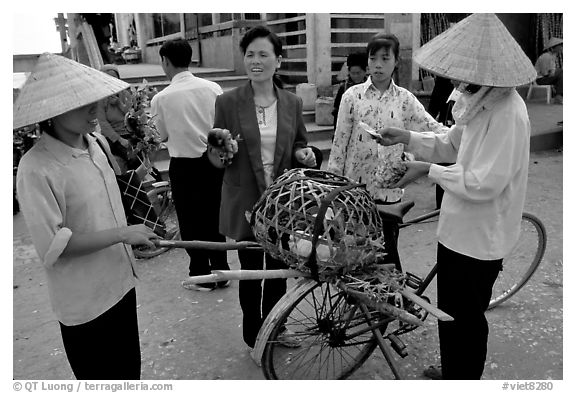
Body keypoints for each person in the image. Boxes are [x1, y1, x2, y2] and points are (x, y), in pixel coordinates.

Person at [374, 13, 535, 380]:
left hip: (480, 239)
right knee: (449, 311)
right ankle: (452, 373)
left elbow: (483, 183)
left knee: (468, 317)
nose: (461, 79)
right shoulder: (478, 100)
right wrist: (407, 137)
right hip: (455, 230)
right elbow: (450, 144)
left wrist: (425, 170)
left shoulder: (509, 113)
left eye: (469, 71)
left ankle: (465, 379)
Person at [14, 53, 159, 379]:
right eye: (82, 105)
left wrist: (134, 232)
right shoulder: (36, 168)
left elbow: (113, 199)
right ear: (51, 111)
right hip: (84, 303)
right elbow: (55, 245)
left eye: (94, 101)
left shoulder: (96, 143)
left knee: (128, 375)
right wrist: (124, 234)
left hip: (121, 284)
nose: (95, 111)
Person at [207, 25, 317, 353]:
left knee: (279, 270)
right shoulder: (227, 102)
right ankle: (253, 333)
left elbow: (300, 143)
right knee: (252, 271)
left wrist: (304, 154)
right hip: (245, 200)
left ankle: (276, 327)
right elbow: (216, 155)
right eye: (250, 54)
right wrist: (220, 152)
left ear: (278, 61)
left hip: (283, 203)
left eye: (263, 54)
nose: (256, 60)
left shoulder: (292, 102)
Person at [327, 33, 447, 205]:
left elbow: (432, 128)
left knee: (388, 231)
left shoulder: (405, 99)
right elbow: (339, 144)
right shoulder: (351, 96)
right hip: (353, 190)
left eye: (385, 58)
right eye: (373, 58)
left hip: (390, 191)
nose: (378, 65)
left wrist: (464, 137)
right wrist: (332, 188)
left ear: (396, 61)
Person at [150, 38, 230, 291]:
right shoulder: (213, 88)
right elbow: (223, 125)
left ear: (165, 61)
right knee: (215, 216)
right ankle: (222, 270)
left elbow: (159, 136)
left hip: (183, 167)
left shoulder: (161, 99)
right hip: (213, 162)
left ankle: (200, 273)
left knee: (190, 221)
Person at [426, 75, 459, 209]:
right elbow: (435, 100)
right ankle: (442, 203)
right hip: (446, 123)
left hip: (452, 123)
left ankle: (445, 203)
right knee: (444, 161)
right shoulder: (445, 80)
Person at [96, 64, 134, 172]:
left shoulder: (125, 93)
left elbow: (131, 114)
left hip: (129, 133)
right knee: (131, 156)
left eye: (114, 77)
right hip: (113, 137)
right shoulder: (101, 99)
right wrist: (120, 139)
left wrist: (119, 103)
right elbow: (103, 123)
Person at [332, 51, 368, 129]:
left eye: (358, 73)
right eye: (353, 73)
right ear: (349, 72)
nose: (355, 76)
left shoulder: (371, 87)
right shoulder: (344, 87)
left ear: (365, 71)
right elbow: (337, 111)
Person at [534, 37, 563, 104]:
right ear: (554, 47)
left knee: (562, 73)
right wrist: (554, 72)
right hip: (540, 79)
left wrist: (555, 72)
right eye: (560, 47)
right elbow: (545, 73)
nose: (562, 48)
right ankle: (558, 97)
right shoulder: (546, 56)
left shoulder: (553, 56)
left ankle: (559, 96)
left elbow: (552, 70)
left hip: (547, 77)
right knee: (561, 73)